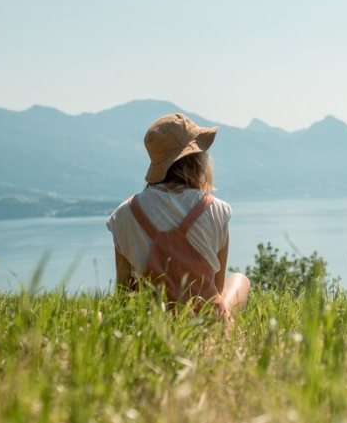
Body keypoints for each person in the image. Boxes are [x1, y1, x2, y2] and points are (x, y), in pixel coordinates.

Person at [106, 113, 251, 320]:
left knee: (88, 315)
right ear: (197, 159)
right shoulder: (217, 209)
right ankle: (228, 328)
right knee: (239, 279)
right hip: (207, 321)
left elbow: (123, 292)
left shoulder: (124, 213)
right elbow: (217, 289)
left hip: (152, 324)